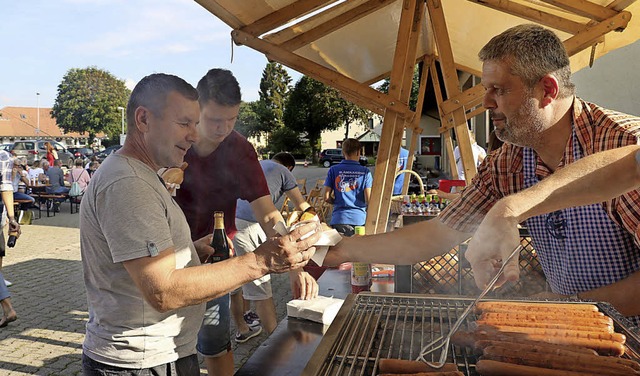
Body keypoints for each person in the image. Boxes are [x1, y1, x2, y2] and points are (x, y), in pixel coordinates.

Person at [324, 24, 640, 325]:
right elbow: (438, 233)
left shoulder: (622, 143)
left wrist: (570, 305)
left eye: (498, 90)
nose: (486, 102)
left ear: (546, 90)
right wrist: (342, 250)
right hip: (567, 332)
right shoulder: (508, 163)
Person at [80, 73, 319, 375]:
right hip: (140, 358)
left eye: (195, 124)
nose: (194, 136)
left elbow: (267, 211)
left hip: (164, 346)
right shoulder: (130, 183)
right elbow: (163, 291)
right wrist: (262, 261)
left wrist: (190, 251)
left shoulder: (140, 174)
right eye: (185, 123)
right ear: (143, 119)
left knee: (216, 344)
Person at [174, 68, 318, 376]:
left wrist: (296, 267)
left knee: (214, 338)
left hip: (216, 259)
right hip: (168, 256)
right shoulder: (175, 142)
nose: (224, 129)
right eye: (215, 120)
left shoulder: (239, 149)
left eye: (232, 119)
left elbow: (268, 213)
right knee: (173, 345)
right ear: (197, 108)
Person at [231, 152, 313, 341]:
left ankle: (242, 329)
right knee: (261, 287)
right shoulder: (284, 170)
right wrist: (316, 221)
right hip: (250, 226)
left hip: (227, 224)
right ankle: (276, 345)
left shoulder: (257, 163)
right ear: (290, 167)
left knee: (234, 282)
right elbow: (302, 205)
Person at [323, 138, 373, 236]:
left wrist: (337, 201)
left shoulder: (333, 170)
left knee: (340, 250)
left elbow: (326, 197)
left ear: (343, 152)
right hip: (359, 220)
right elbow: (369, 199)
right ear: (359, 152)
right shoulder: (365, 172)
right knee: (358, 250)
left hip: (339, 218)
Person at [0, 149, 21, 328]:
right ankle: (7, 309)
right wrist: (12, 218)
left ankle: (8, 309)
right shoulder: (3, 155)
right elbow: (6, 187)